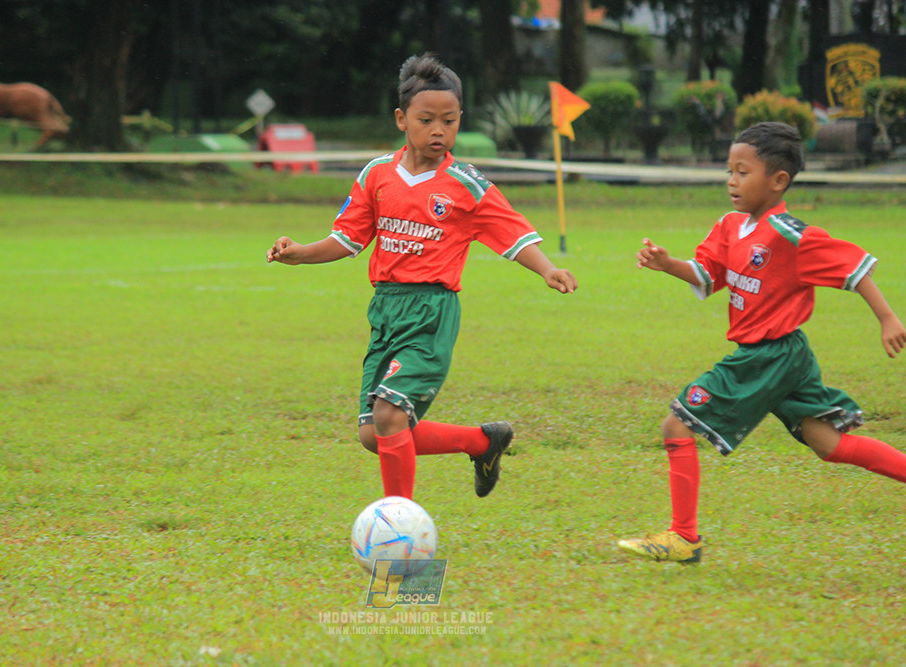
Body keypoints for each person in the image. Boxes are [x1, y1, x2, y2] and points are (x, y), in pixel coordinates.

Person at [266, 53, 577, 501]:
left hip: (431, 313)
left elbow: (511, 231)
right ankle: (481, 442)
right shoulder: (377, 175)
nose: (438, 130)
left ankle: (401, 530)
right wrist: (301, 254)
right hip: (386, 311)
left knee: (390, 416)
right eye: (426, 119)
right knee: (374, 433)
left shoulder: (465, 183)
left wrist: (548, 268)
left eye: (449, 121)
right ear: (401, 118)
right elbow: (348, 238)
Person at [618, 121, 906, 563]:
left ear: (777, 181)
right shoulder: (730, 226)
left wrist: (887, 317)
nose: (732, 181)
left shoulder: (791, 234)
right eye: (729, 171)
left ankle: (683, 537)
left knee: (676, 425)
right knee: (829, 444)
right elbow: (707, 275)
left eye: (742, 172)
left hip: (769, 354)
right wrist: (668, 263)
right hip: (784, 356)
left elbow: (854, 268)